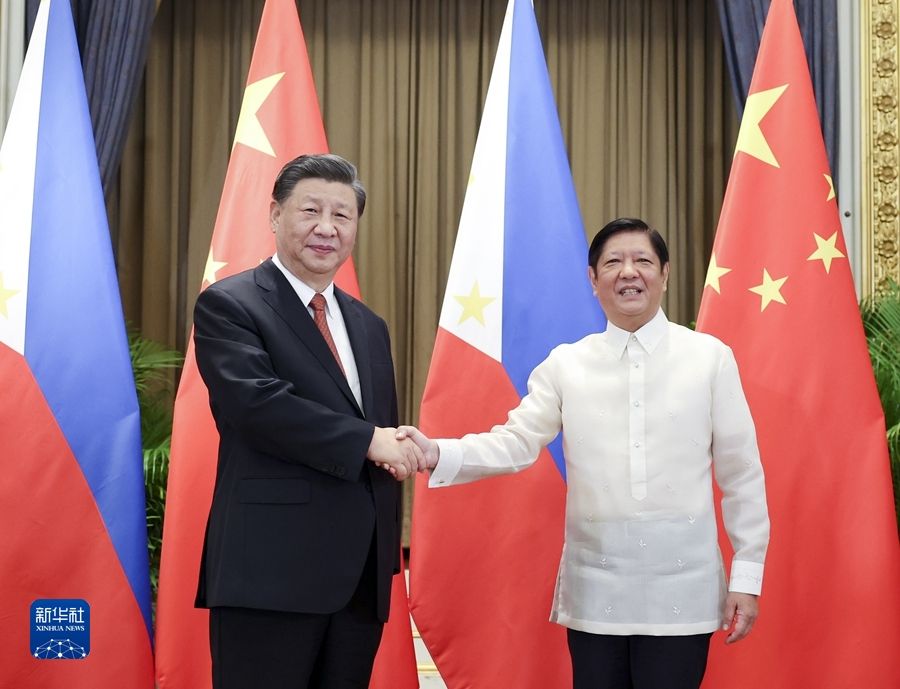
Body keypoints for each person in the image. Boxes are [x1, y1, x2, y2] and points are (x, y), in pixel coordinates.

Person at [399, 218, 770, 689]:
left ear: (665, 273)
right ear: (593, 279)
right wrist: (436, 451)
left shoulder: (710, 357)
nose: (628, 272)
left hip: (685, 591)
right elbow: (515, 442)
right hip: (596, 592)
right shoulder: (566, 364)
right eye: (613, 262)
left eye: (642, 261)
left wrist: (746, 578)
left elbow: (742, 475)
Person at [193, 153, 423, 689]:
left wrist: (393, 451)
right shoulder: (230, 304)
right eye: (311, 210)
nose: (327, 228)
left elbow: (377, 429)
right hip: (268, 573)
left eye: (342, 215)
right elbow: (257, 406)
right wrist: (369, 441)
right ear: (275, 215)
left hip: (358, 581)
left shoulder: (369, 326)